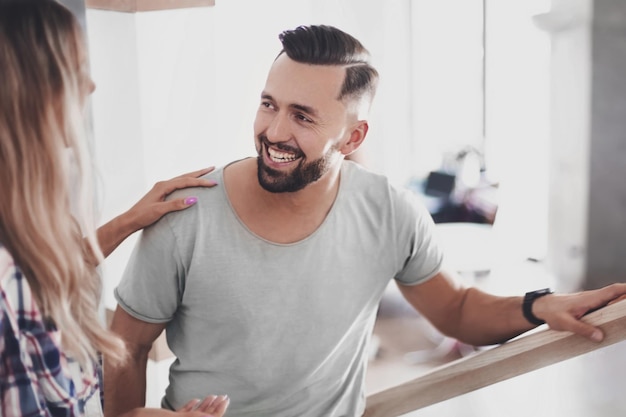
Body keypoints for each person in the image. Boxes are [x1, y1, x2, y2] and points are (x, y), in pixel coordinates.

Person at [106, 24, 626, 417]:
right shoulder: (186, 211)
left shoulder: (389, 210)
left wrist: (541, 305)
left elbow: (458, 310)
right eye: (269, 105)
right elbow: (127, 345)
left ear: (353, 138)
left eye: (303, 116)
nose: (274, 131)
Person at [0, 1, 230, 416]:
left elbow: (47, 273)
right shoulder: (7, 279)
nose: (91, 86)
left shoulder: (25, 221)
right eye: (76, 69)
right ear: (29, 88)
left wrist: (129, 220)